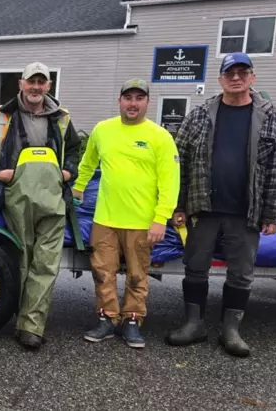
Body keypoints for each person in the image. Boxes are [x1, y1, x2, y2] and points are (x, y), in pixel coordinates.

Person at [165, 53, 276, 357]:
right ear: (221, 79)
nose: (236, 78)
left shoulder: (272, 117)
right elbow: (179, 162)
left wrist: (273, 213)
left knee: (241, 273)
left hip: (246, 211)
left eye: (242, 72)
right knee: (195, 267)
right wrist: (178, 206)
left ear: (252, 77)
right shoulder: (199, 114)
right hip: (202, 209)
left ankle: (231, 330)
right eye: (230, 73)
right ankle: (194, 324)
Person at [0, 62, 81, 350]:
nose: (36, 87)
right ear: (21, 84)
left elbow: (74, 150)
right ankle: (20, 317)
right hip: (16, 199)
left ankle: (31, 327)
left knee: (46, 265)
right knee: (21, 261)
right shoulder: (0, 116)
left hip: (53, 200)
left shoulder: (62, 118)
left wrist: (68, 171)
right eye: (31, 81)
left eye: (41, 82)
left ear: (48, 86)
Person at [73, 79, 180, 349]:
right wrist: (78, 187)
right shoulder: (102, 130)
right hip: (105, 219)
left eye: (139, 98)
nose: (133, 103)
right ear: (119, 101)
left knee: (136, 274)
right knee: (102, 272)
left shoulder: (160, 137)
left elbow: (170, 181)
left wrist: (161, 218)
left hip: (141, 222)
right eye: (128, 98)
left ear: (147, 102)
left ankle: (133, 319)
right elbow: (88, 162)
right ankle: (107, 318)